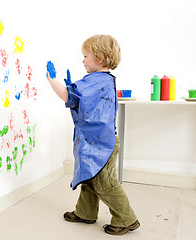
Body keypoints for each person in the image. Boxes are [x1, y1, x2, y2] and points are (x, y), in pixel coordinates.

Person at [46, 34, 139, 235]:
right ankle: (85, 212)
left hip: (101, 145)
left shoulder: (97, 80)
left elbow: (68, 96)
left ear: (99, 58)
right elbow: (82, 102)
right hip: (95, 142)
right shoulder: (102, 80)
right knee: (88, 178)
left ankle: (126, 218)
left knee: (105, 183)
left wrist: (52, 80)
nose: (83, 60)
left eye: (85, 56)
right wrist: (74, 89)